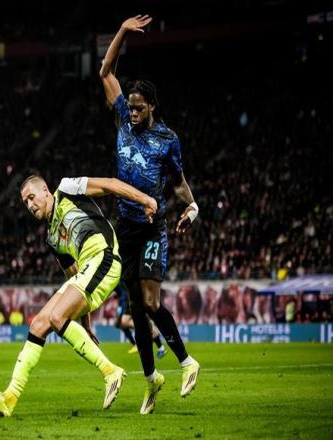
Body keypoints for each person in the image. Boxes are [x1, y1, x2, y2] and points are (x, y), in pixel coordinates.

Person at [0, 174, 157, 417]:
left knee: (56, 317)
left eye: (32, 197)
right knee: (38, 325)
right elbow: (74, 277)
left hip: (105, 257)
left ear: (46, 190)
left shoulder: (67, 189)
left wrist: (145, 200)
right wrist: (85, 324)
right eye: (25, 202)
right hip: (87, 269)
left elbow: (109, 185)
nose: (30, 205)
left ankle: (111, 371)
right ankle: (9, 398)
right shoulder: (52, 238)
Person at [99, 15, 200, 414]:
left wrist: (193, 206)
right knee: (136, 310)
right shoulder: (122, 116)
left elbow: (178, 183)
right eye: (131, 107)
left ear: (152, 107)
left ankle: (187, 361)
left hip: (152, 227)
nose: (134, 113)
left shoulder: (167, 140)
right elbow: (106, 72)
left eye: (140, 108)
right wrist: (122, 32)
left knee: (151, 301)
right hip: (125, 228)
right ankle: (151, 379)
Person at [115, 280, 167, 358]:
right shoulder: (121, 280)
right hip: (131, 298)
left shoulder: (123, 278)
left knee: (125, 322)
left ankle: (155, 345)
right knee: (124, 323)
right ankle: (160, 347)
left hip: (133, 298)